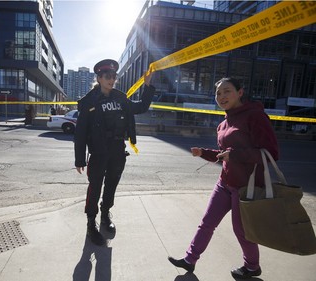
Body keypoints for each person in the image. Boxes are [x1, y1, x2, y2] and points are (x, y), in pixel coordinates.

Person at [168, 77, 279, 279]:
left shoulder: (255, 116)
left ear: (240, 92)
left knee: (242, 231)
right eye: (218, 93)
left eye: (227, 91)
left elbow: (271, 153)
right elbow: (224, 155)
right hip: (225, 183)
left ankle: (252, 266)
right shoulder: (223, 124)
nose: (222, 96)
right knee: (207, 223)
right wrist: (203, 153)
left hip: (246, 187)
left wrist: (235, 155)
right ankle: (189, 260)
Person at [74, 59, 155, 246]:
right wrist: (79, 159)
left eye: (114, 76)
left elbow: (141, 107)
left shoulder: (121, 98)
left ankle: (105, 216)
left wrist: (148, 86)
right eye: (108, 76)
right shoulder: (88, 102)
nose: (112, 80)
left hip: (118, 150)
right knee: (95, 187)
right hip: (98, 152)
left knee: (111, 185)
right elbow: (80, 132)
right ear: (99, 78)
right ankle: (90, 223)